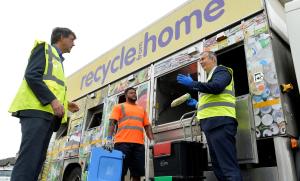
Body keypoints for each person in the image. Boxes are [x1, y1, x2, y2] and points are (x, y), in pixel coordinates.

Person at [8, 27, 80, 181]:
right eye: (72, 39)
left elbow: (50, 86)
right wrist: (53, 100)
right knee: (29, 159)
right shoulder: (44, 49)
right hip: (35, 111)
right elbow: (32, 76)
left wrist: (65, 104)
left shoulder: (58, 60)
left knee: (37, 161)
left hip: (47, 114)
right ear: (61, 37)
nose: (73, 44)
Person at [177, 51, 242, 181]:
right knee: (218, 167)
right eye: (199, 60)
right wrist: (197, 104)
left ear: (213, 59)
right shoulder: (209, 78)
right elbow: (212, 99)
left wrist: (192, 84)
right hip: (211, 126)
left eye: (203, 58)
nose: (200, 62)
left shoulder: (222, 71)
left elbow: (217, 87)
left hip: (221, 123)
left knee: (227, 167)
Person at [104, 87, 155, 181]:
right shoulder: (119, 107)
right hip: (122, 144)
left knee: (137, 173)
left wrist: (152, 139)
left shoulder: (141, 109)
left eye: (135, 93)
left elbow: (147, 126)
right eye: (131, 93)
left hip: (139, 145)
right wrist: (109, 139)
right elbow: (112, 123)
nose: (134, 94)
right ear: (126, 95)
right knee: (120, 172)